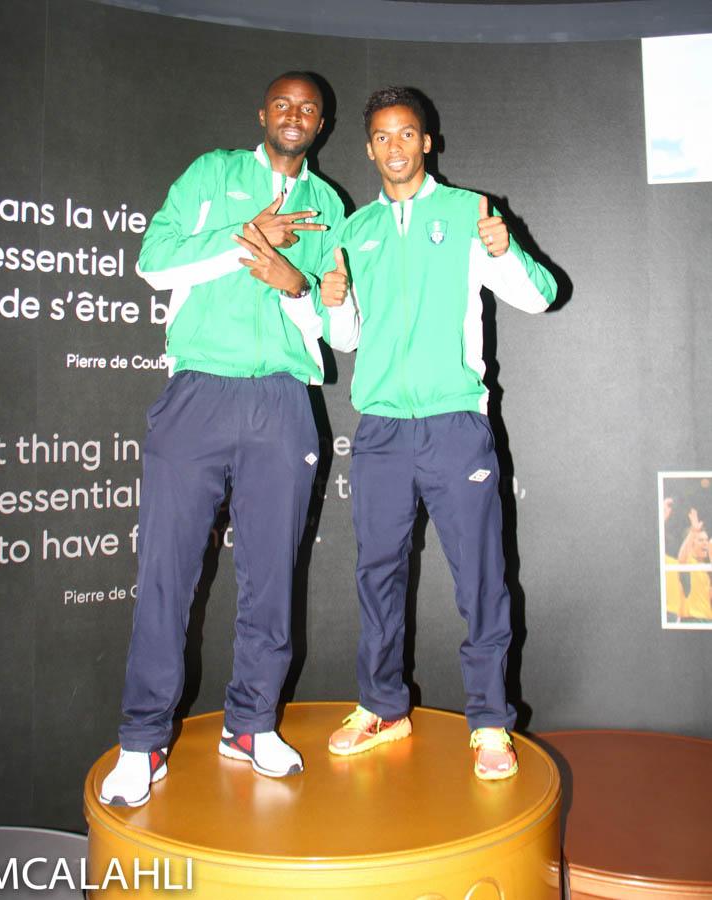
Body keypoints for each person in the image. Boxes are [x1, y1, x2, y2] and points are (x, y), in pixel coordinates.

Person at [100, 72, 350, 806]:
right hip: (199, 391)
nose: (294, 115)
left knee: (272, 574)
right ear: (263, 113)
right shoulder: (212, 173)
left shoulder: (330, 205)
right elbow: (153, 262)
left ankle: (251, 724)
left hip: (283, 397)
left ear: (321, 123)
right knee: (167, 572)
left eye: (308, 108)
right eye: (283, 104)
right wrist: (250, 238)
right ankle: (143, 741)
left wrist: (296, 284)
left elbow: (338, 325)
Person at [320, 86, 558, 780]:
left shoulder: (468, 211)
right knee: (377, 573)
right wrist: (334, 303)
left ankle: (490, 721)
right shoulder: (353, 230)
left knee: (480, 576)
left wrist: (505, 250)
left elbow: (540, 296)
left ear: (427, 142)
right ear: (369, 148)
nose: (394, 147)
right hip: (380, 430)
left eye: (406, 134)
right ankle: (381, 706)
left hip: (455, 423)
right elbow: (346, 338)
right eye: (382, 137)